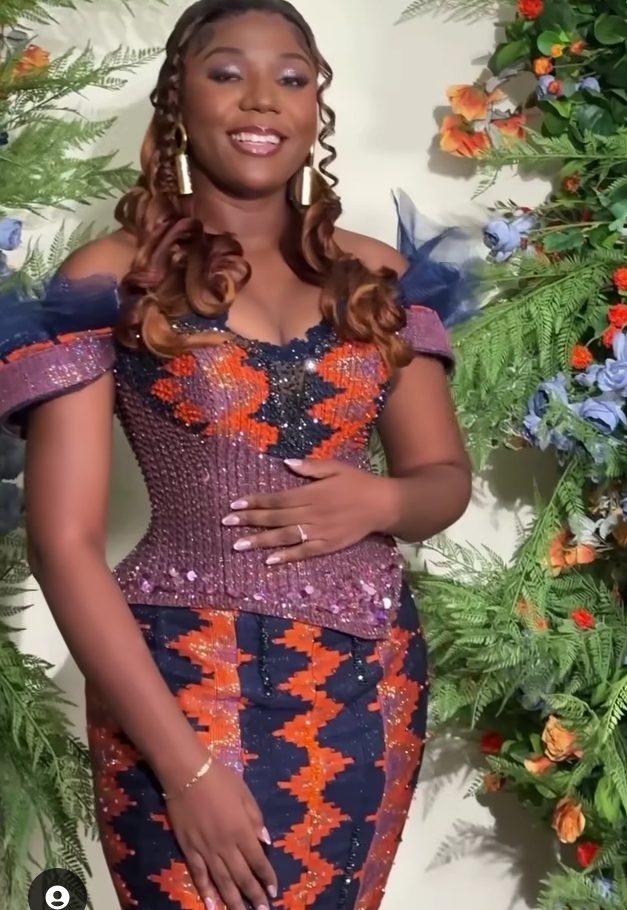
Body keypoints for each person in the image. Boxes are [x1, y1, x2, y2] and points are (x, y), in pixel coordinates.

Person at [0, 1, 471, 908]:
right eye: (227, 73)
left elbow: (443, 482)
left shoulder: (377, 276)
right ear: (177, 97)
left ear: (315, 104)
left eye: (290, 78)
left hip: (368, 678)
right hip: (177, 684)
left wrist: (380, 503)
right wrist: (185, 771)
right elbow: (62, 542)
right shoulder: (112, 276)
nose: (262, 100)